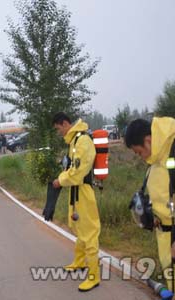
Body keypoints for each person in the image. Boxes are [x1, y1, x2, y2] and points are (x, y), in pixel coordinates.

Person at [125, 117, 175, 300]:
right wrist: (156, 217)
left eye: (139, 152)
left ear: (148, 140)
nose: (141, 157)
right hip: (170, 246)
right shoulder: (155, 162)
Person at [51, 112, 101, 292]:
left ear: (65, 124)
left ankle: (94, 276)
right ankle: (79, 262)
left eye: (58, 129)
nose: (59, 133)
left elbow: (78, 172)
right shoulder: (74, 140)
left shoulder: (83, 141)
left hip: (83, 191)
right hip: (76, 191)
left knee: (89, 233)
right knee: (80, 228)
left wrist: (60, 180)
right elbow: (72, 167)